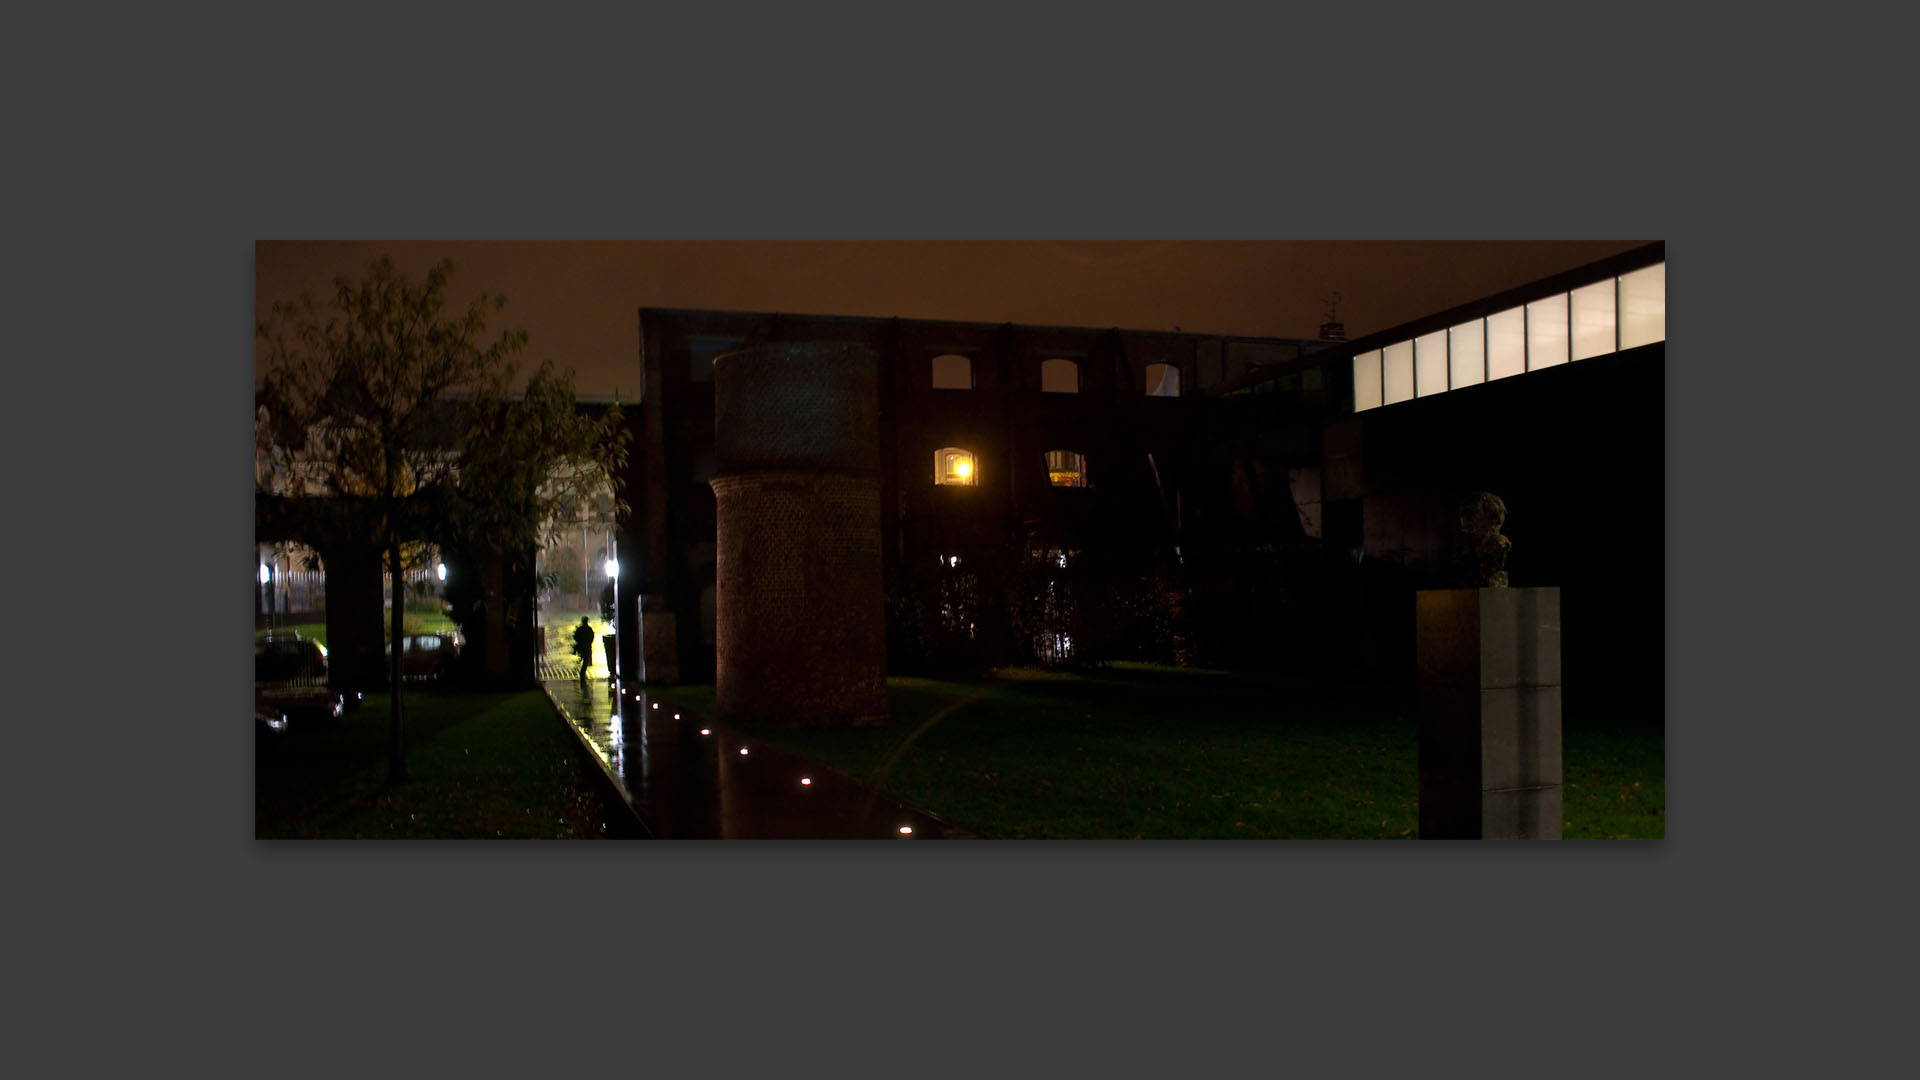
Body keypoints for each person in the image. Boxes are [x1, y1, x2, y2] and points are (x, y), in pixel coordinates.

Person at [572, 616, 595, 680]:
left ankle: (577, 669)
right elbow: (592, 638)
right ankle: (582, 672)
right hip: (587, 647)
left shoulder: (579, 629)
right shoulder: (589, 629)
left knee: (580, 659)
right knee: (585, 660)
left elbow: (575, 637)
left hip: (580, 647)